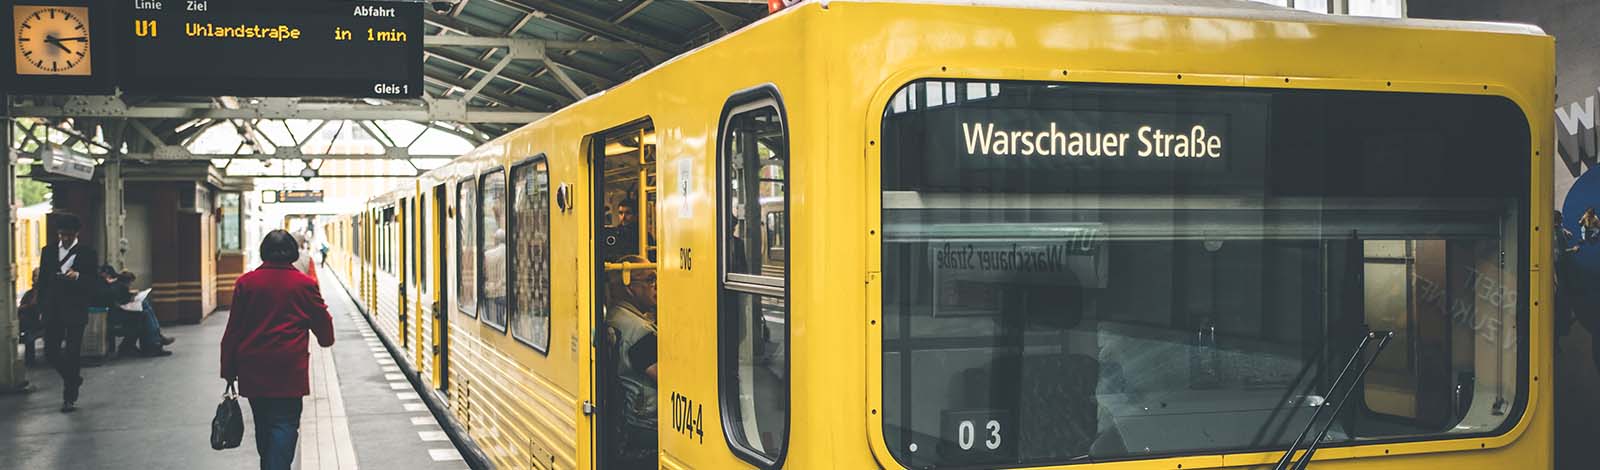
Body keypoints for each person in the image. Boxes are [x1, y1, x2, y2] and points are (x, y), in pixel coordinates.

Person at [220, 230, 335, 470]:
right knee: (285, 424)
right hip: (289, 371)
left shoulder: (246, 283)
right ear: (293, 253)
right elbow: (323, 327)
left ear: (264, 252)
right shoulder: (305, 285)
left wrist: (228, 370)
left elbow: (233, 330)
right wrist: (325, 338)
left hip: (253, 370)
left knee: (263, 424)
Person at [35, 213, 99, 412]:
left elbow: (94, 283)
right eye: (61, 234)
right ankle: (73, 378)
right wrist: (41, 309)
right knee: (51, 352)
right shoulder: (48, 251)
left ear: (76, 233)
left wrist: (78, 276)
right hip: (53, 309)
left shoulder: (87, 253)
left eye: (68, 235)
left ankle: (69, 397)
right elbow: (43, 283)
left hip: (75, 309)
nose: (64, 238)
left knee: (72, 353)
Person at [606, 255, 657, 467]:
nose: (656, 286)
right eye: (650, 280)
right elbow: (670, 379)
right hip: (645, 425)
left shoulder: (616, 316)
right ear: (629, 288)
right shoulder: (640, 332)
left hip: (626, 419)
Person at [98, 266, 173, 356]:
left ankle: (156, 339)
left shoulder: (111, 284)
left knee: (144, 305)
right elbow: (112, 298)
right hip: (110, 315)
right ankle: (154, 343)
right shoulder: (101, 283)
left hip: (117, 311)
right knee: (143, 314)